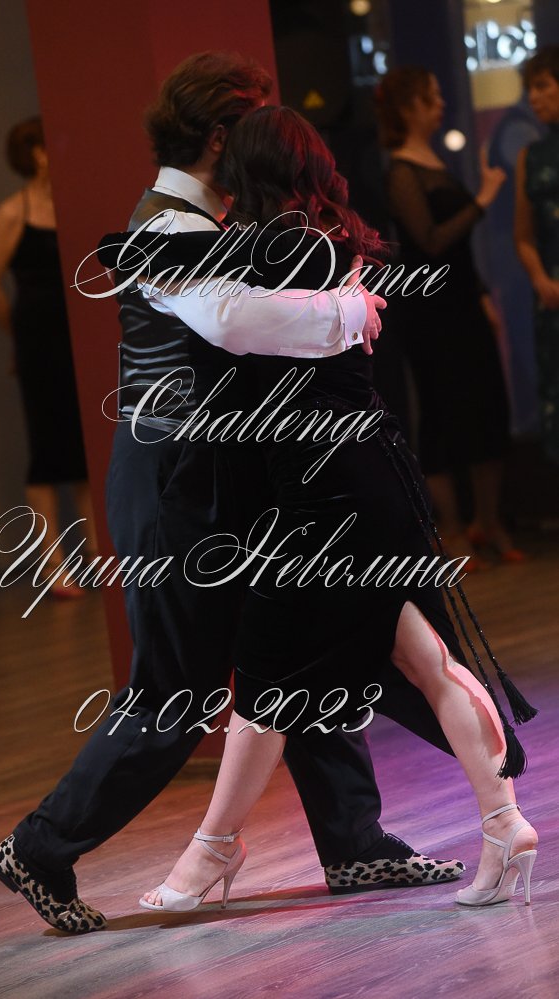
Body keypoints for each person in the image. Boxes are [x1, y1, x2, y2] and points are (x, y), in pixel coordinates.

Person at [0, 53, 464, 936]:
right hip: (174, 482)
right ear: (218, 137)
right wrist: (348, 313)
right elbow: (232, 321)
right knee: (179, 688)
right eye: (252, 123)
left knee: (299, 648)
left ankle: (354, 840)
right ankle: (41, 847)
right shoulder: (165, 228)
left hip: (226, 473)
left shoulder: (216, 220)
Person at [115, 106, 539, 914]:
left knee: (270, 676)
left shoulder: (278, 247)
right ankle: (504, 821)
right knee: (423, 658)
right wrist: (348, 308)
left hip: (326, 494)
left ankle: (211, 851)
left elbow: (230, 325)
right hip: (365, 476)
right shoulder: (327, 237)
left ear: (247, 170)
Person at [375, 67, 523, 565]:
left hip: (461, 303)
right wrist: (482, 200)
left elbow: (458, 255)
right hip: (429, 312)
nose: (440, 105)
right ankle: (453, 531)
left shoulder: (434, 160)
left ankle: (489, 522)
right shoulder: (401, 170)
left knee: (487, 405)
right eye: (432, 97)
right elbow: (431, 242)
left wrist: (481, 295)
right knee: (442, 413)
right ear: (410, 107)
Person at [0, 117, 96, 595]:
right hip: (38, 341)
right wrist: (16, 334)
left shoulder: (70, 205)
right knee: (47, 452)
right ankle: (53, 566)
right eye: (40, 148)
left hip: (76, 337)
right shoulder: (13, 212)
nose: (48, 155)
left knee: (85, 448)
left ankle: (100, 554)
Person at [515, 47, 559, 464]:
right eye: (530, 88)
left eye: (543, 85)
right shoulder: (532, 155)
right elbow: (524, 235)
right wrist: (541, 280)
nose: (534, 97)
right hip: (552, 297)